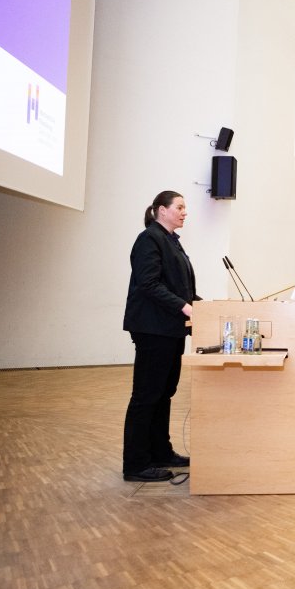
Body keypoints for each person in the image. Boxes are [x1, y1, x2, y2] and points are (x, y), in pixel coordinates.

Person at [122, 190, 197, 482]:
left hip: (170, 329)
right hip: (153, 329)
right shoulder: (149, 239)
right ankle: (136, 463)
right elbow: (149, 284)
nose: (184, 212)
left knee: (164, 393)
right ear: (161, 210)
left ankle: (160, 451)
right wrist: (185, 306)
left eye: (184, 208)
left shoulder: (170, 242)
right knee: (146, 395)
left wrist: (201, 304)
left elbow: (178, 287)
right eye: (179, 207)